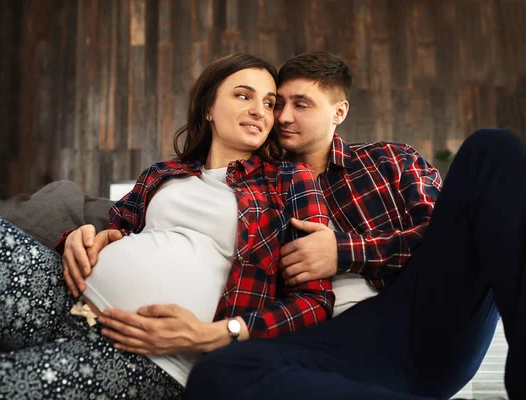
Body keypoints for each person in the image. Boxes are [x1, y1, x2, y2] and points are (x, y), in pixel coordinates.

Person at [0, 54, 334, 399]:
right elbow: (114, 231)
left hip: (148, 358)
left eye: (268, 102)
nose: (259, 110)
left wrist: (212, 334)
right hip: (65, 297)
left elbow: (315, 302)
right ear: (209, 107)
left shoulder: (289, 180)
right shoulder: (164, 173)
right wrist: (78, 239)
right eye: (243, 96)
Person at [186, 51, 526, 399]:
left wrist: (343, 252)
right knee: (217, 373)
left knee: (491, 147)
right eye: (280, 104)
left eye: (301, 104)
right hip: (334, 343)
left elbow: (438, 235)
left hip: (428, 312)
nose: (284, 117)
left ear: (339, 112)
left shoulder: (389, 159)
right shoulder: (259, 185)